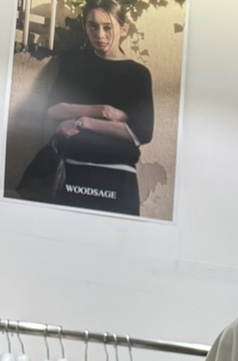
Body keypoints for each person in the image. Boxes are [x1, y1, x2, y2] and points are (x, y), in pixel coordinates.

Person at [44, 0, 153, 216]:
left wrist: (84, 122)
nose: (99, 34)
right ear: (85, 27)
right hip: (73, 172)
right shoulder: (73, 65)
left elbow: (141, 132)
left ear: (123, 29)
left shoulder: (138, 74)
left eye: (107, 27)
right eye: (92, 26)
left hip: (118, 177)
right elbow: (52, 110)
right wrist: (101, 111)